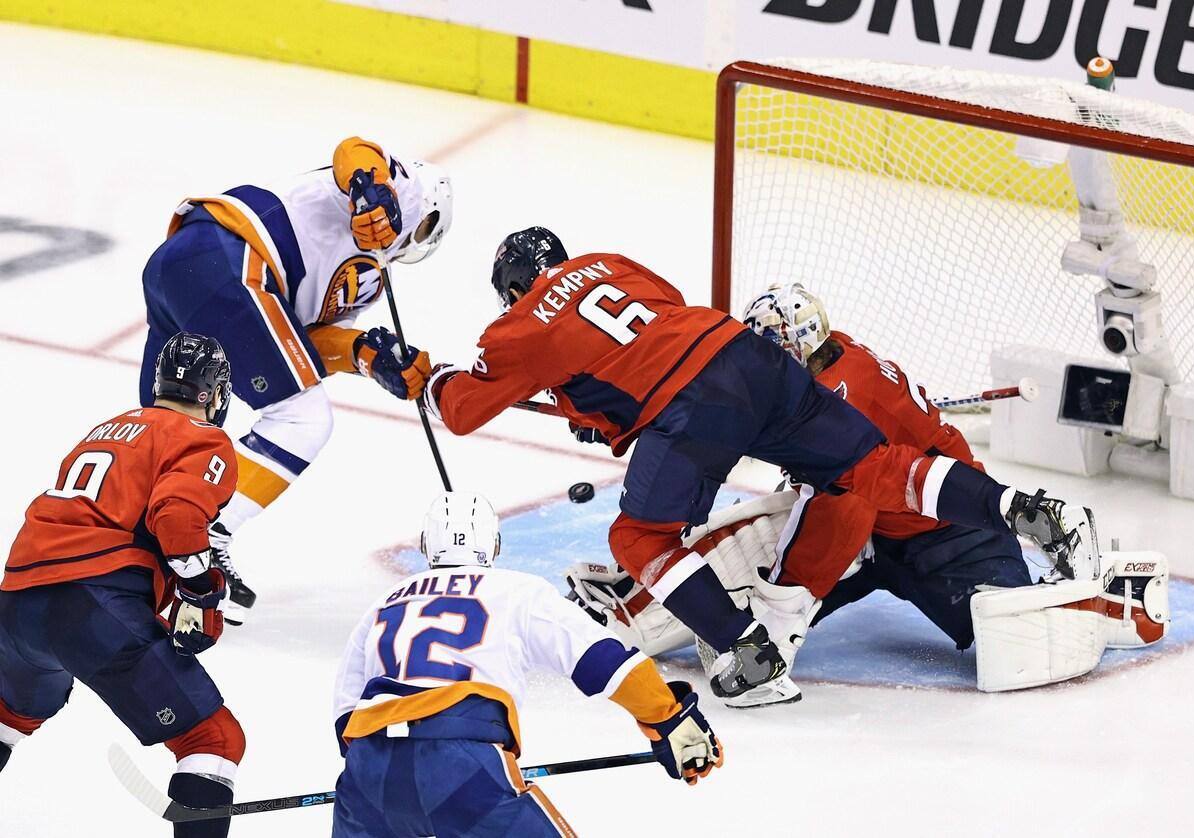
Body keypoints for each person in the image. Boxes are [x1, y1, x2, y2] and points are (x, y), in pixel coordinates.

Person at [422, 227, 1087, 705]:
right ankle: (1022, 508)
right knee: (876, 468)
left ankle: (748, 650)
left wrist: (416, 375)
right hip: (743, 360)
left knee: (640, 536)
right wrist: (607, 406)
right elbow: (664, 320)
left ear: (514, 288)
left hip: (829, 497)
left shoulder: (520, 326)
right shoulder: (607, 263)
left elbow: (460, 407)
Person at [140, 138, 450, 620]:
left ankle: (129, 548)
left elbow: (296, 342)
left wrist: (367, 355)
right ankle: (201, 534)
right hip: (232, 257)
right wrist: (371, 190)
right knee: (302, 419)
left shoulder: (369, 277)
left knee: (173, 435)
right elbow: (354, 151)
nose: (416, 237)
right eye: (425, 227)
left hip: (185, 266)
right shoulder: (403, 191)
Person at [332, 492, 722, 838]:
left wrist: (394, 780)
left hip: (369, 770)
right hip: (461, 765)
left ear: (425, 545)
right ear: (495, 545)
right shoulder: (517, 590)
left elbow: (346, 714)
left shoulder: (384, 602)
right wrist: (666, 717)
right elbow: (602, 660)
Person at [0, 333, 244, 838]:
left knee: (7, 720)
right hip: (89, 603)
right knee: (212, 741)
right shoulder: (200, 438)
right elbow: (176, 519)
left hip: (16, 600)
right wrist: (201, 592)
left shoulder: (106, 429)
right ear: (215, 394)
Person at [741, 282, 1032, 651]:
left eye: (767, 351)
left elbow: (840, 512)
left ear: (795, 348)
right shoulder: (835, 350)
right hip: (882, 533)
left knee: (1019, 638)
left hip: (948, 534)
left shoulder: (836, 403)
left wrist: (781, 601)